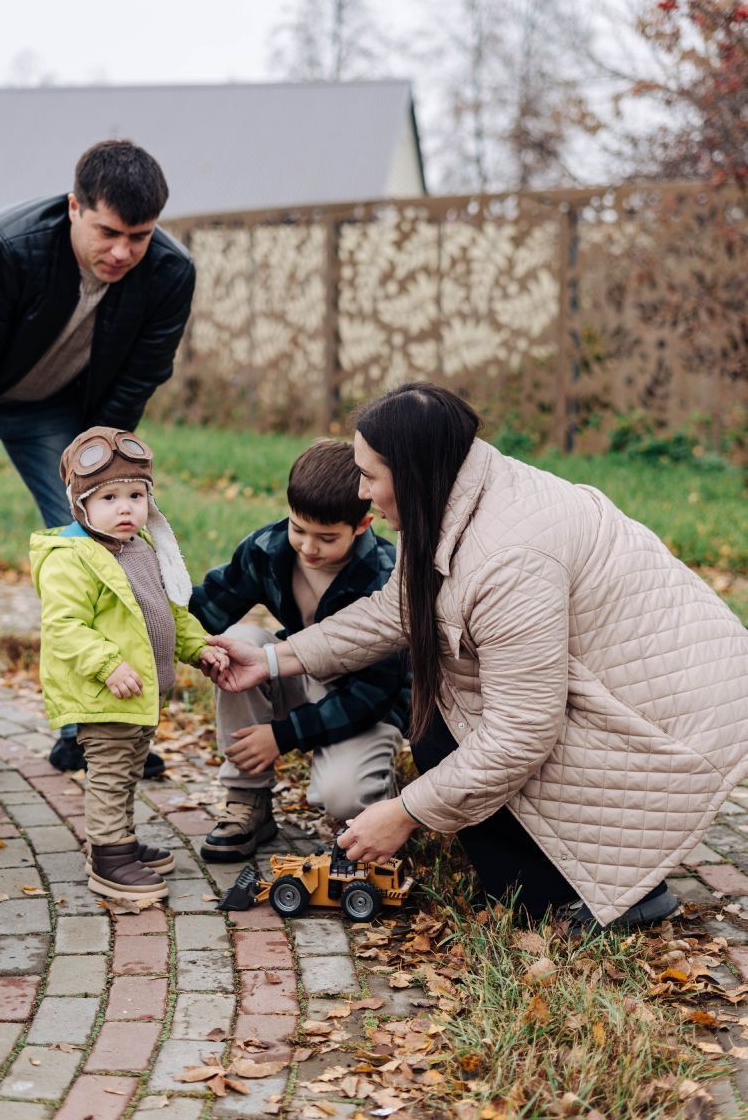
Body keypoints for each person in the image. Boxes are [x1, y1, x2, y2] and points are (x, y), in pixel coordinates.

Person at [207, 382, 748, 930]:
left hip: (672, 717)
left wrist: (404, 812)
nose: (363, 493)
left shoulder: (509, 557)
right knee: (439, 719)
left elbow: (522, 732)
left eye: (370, 476)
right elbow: (393, 612)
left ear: (413, 470)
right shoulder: (451, 497)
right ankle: (543, 876)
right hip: (635, 681)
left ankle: (621, 893)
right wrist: (275, 659)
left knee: (459, 734)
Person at [0, 139, 195, 788]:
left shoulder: (171, 273)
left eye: (140, 236)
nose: (123, 252)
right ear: (73, 207)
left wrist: (105, 481)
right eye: (108, 232)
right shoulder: (3, 246)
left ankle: (91, 727)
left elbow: (135, 383)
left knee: (103, 548)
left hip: (54, 407)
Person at [189, 439, 409, 862]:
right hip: (296, 670)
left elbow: (374, 693)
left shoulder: (385, 575)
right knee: (240, 643)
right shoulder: (267, 549)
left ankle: (380, 810)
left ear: (362, 525)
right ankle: (247, 800)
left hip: (365, 701)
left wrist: (282, 735)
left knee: (341, 797)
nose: (308, 548)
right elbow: (207, 610)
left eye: (327, 538)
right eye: (298, 529)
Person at [30, 427, 226, 901]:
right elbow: (64, 626)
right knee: (111, 773)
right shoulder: (72, 559)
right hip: (105, 692)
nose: (125, 508)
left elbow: (172, 611)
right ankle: (108, 856)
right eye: (109, 497)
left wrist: (198, 647)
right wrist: (107, 664)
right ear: (81, 506)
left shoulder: (140, 548)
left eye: (136, 495)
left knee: (130, 770)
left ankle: (120, 841)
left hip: (141, 694)